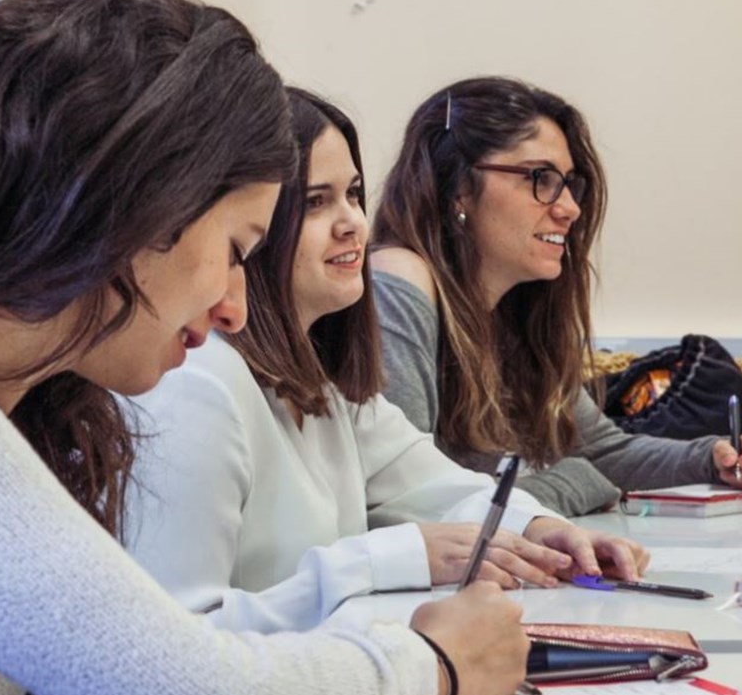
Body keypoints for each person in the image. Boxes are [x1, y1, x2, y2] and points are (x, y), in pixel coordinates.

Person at [0, 0, 524, 695]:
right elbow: (175, 681)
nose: (235, 308)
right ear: (142, 203)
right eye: (235, 250)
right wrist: (432, 663)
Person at [124, 88, 648, 638]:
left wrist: (543, 530)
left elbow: (441, 485)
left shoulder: (320, 384)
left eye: (353, 194)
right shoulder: (197, 382)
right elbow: (174, 638)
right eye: (315, 202)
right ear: (252, 227)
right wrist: (388, 559)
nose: (352, 222)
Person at [370, 76, 742, 517]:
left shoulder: (512, 314)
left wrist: (718, 459)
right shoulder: (398, 279)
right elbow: (412, 504)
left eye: (568, 183)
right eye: (541, 178)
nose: (570, 207)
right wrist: (575, 482)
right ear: (459, 188)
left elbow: (603, 453)